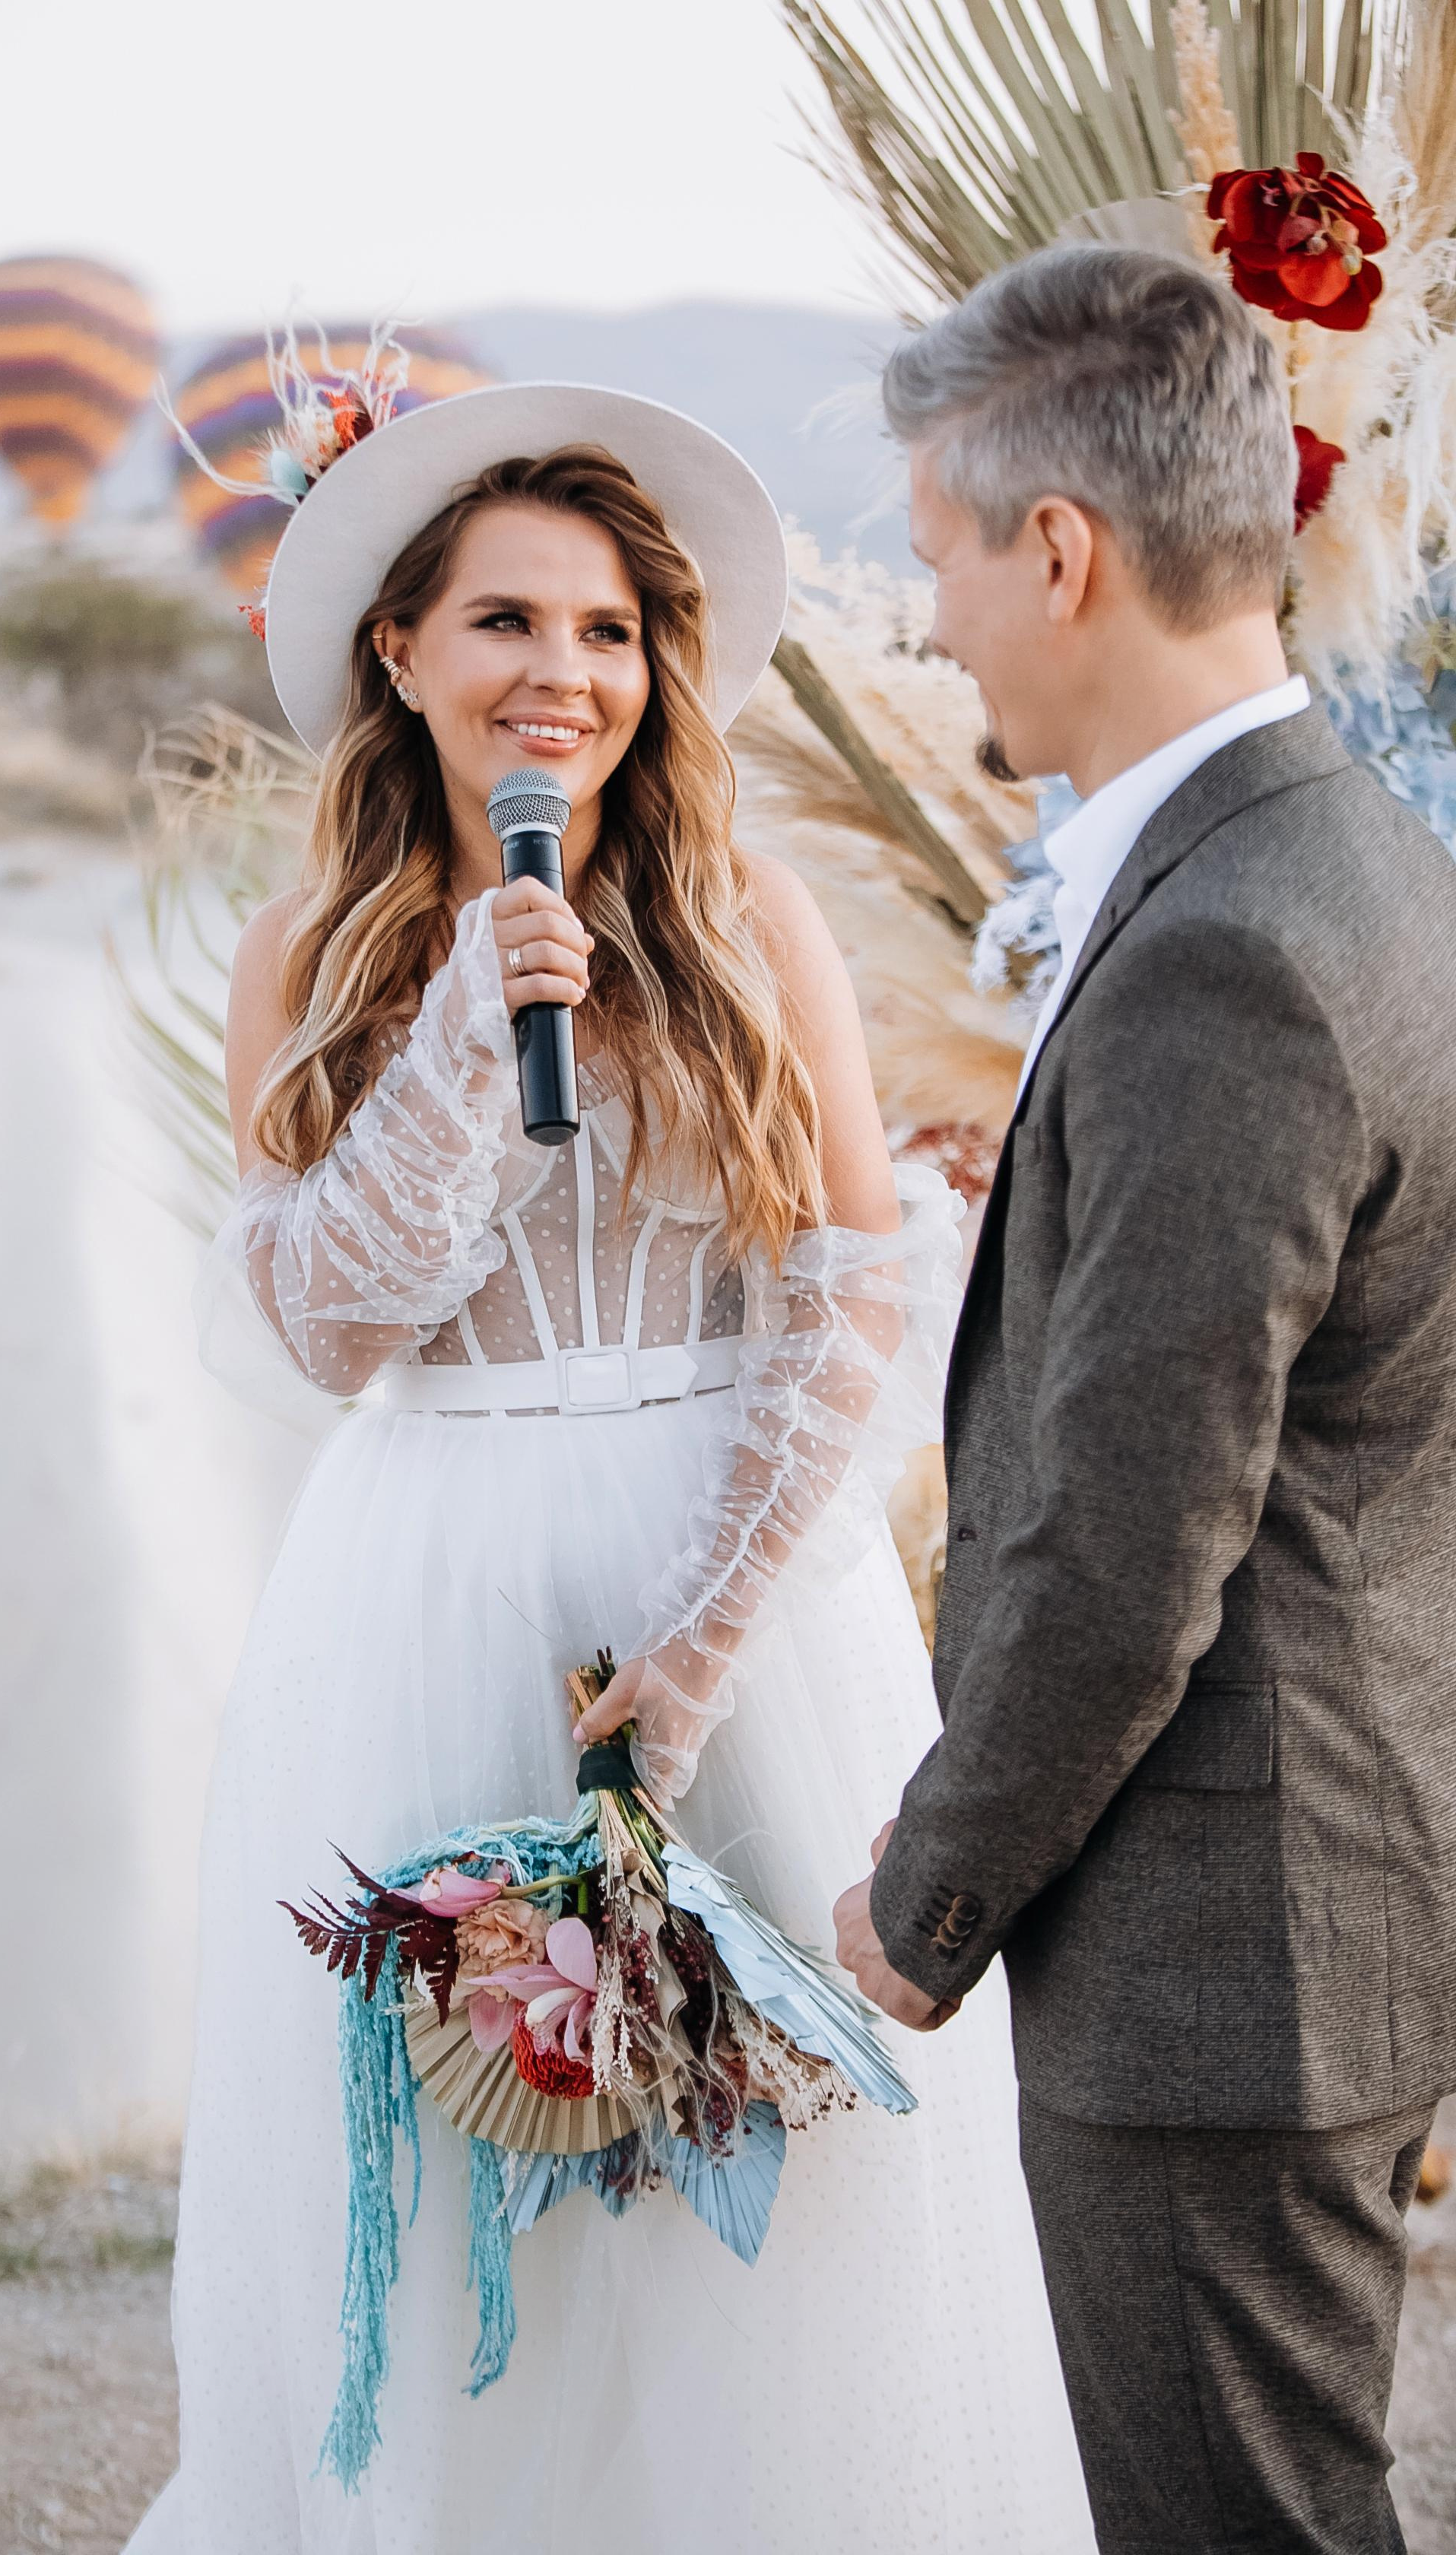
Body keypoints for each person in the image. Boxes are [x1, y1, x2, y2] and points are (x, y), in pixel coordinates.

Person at [124, 378, 1095, 2553]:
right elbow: (323, 1324)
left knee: (790, 2171)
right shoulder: (312, 951)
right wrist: (469, 1022)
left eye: (608, 632)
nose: (563, 674)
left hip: (744, 1594)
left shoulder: (748, 918)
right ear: (399, 652)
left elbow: (852, 1276)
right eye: (506, 622)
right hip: (428, 1587)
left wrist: (710, 1629)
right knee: (475, 2165)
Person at [834, 243, 1456, 2553]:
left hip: (1219, 1956)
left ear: (1060, 550)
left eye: (937, 556)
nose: (932, 621)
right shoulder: (1357, 855)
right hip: (1319, 1905)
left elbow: (1130, 1533)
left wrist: (922, 1895)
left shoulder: (1225, 951)